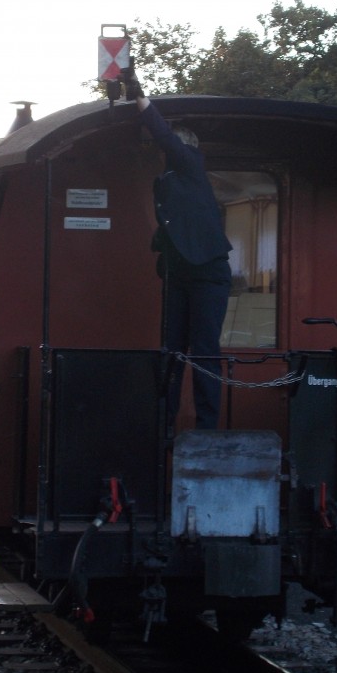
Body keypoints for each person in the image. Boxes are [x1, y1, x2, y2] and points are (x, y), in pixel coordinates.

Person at [121, 66, 233, 429]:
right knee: (171, 350)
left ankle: (207, 426)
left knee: (204, 349)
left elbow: (165, 136)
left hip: (207, 273)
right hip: (179, 273)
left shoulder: (189, 164)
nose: (160, 149)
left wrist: (139, 96)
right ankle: (164, 422)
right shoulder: (168, 180)